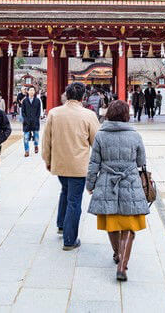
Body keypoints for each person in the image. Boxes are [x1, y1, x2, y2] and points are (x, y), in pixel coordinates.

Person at [86, 99, 149, 281]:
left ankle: (117, 254)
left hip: (107, 181)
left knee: (112, 221)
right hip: (129, 181)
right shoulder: (135, 136)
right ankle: (122, 266)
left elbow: (94, 163)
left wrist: (90, 184)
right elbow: (140, 162)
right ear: (126, 115)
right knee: (129, 224)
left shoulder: (100, 135)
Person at [42, 82, 101, 250]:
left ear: (66, 95)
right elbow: (96, 142)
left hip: (59, 162)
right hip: (78, 165)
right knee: (74, 200)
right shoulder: (88, 115)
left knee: (65, 191)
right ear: (83, 97)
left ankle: (61, 224)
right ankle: (69, 239)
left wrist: (47, 159)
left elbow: (46, 140)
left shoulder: (54, 113)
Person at [21, 86, 42, 157]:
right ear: (28, 91)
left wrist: (36, 118)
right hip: (26, 122)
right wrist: (25, 119)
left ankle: (36, 145)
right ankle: (26, 151)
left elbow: (39, 111)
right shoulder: (25, 101)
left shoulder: (37, 100)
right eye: (30, 90)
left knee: (36, 137)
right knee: (26, 137)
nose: (32, 91)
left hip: (35, 121)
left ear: (35, 92)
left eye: (33, 90)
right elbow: (23, 111)